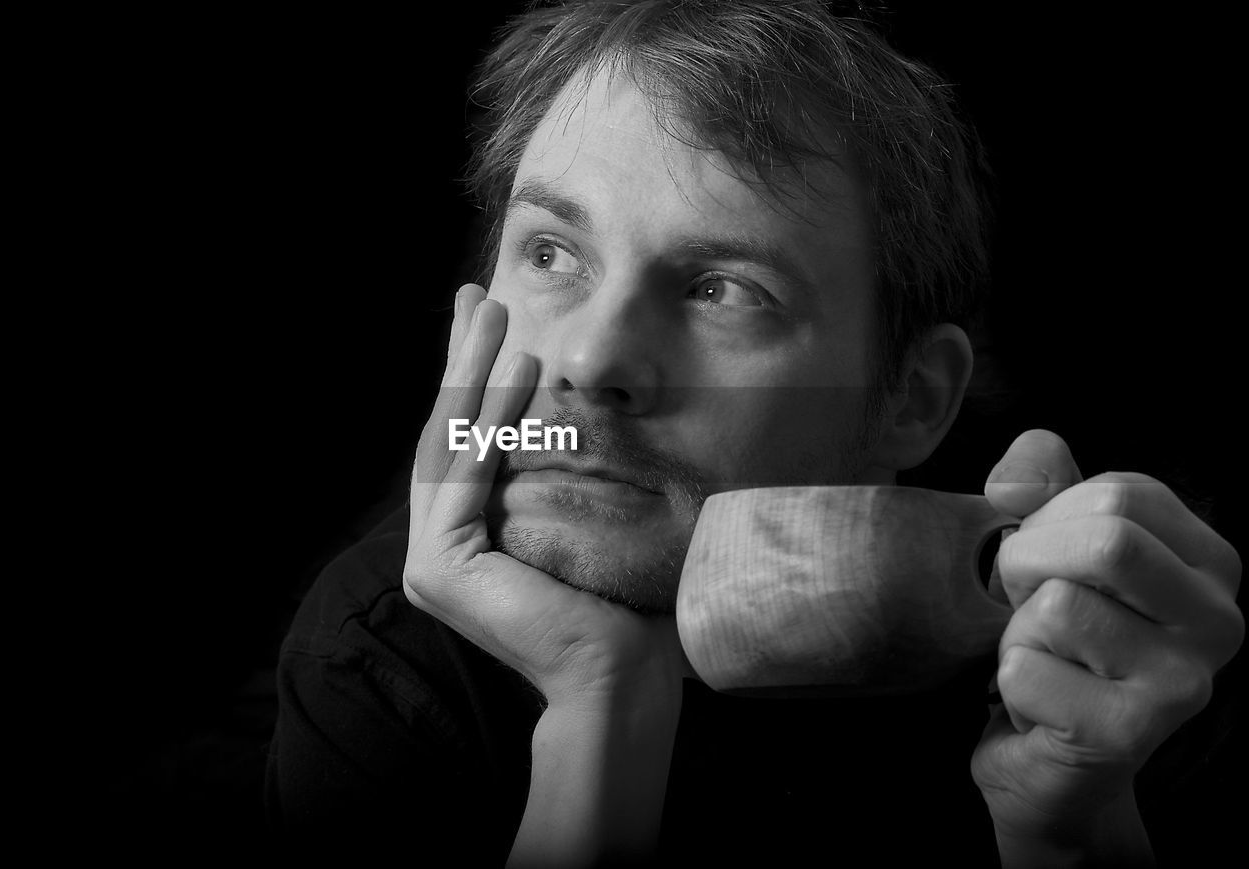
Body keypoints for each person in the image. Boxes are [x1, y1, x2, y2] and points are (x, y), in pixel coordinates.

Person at [265, 1, 1243, 864]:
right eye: (552, 251)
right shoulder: (383, 648)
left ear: (909, 397)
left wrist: (1072, 836)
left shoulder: (1096, 654)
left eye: (719, 288)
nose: (591, 364)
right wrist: (600, 699)